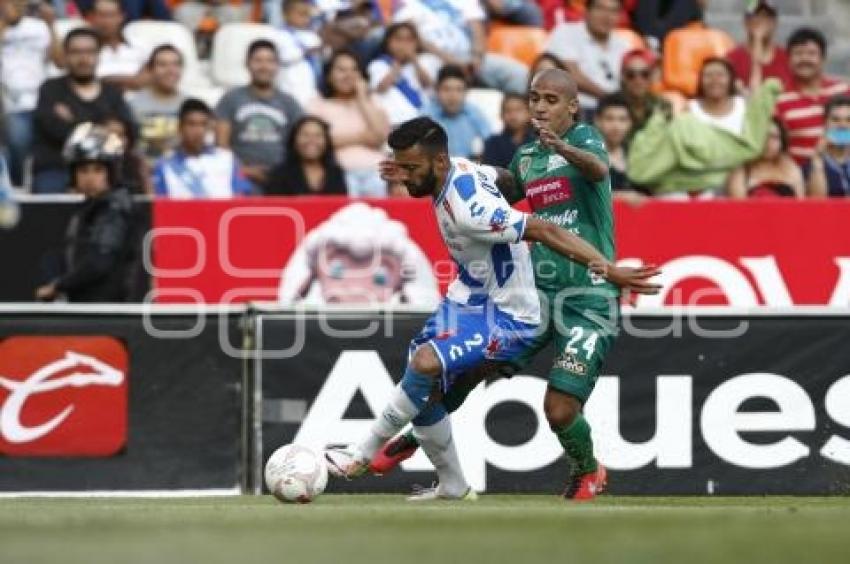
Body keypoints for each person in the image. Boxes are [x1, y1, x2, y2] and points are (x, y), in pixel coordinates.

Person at [323, 115, 660, 500]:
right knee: (424, 381)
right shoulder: (461, 169)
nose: (406, 179)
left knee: (425, 365)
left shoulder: (472, 210)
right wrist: (405, 170)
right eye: (403, 168)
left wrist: (610, 270)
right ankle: (453, 486)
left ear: (438, 163)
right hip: (468, 296)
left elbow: (545, 229)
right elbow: (499, 178)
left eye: (412, 169)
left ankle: (361, 453)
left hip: (509, 316)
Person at [628, 60, 781, 199]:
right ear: (701, 81)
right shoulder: (687, 108)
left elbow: (752, 141)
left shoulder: (743, 106)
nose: (714, 80)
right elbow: (680, 147)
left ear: (731, 80)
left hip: (733, 180)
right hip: (692, 180)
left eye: (720, 75)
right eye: (708, 75)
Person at [34, 122, 136, 302]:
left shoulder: (114, 208)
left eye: (98, 170)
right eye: (83, 170)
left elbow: (99, 262)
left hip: (106, 309)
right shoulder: (90, 207)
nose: (90, 178)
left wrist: (58, 286)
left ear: (111, 173)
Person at [31, 27, 135, 193]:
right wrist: (103, 128)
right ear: (65, 56)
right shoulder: (51, 89)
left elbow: (127, 133)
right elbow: (54, 130)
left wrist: (73, 122)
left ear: (98, 55)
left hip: (105, 171)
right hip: (59, 170)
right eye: (76, 52)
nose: (83, 58)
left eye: (89, 52)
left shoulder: (112, 93)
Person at [215, 39, 303, 189]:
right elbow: (221, 146)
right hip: (238, 177)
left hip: (282, 177)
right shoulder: (230, 99)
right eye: (258, 61)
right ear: (247, 64)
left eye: (270, 61)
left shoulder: (290, 103)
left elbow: (299, 145)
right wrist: (243, 171)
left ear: (277, 66)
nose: (264, 67)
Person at [393, 0, 529, 94]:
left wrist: (476, 58)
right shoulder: (408, 2)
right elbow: (413, 37)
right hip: (432, 57)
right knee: (422, 71)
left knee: (518, 74)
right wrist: (453, 62)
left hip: (469, 56)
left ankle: (523, 128)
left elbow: (477, 29)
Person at [308, 49, 390, 197]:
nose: (348, 75)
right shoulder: (317, 104)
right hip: (339, 172)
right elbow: (316, 142)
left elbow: (380, 136)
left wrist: (362, 99)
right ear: (329, 76)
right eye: (341, 70)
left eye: (354, 70)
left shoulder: (372, 102)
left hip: (376, 172)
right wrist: (362, 138)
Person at [1, 0, 63, 187]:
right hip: (9, 99)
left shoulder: (39, 27)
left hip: (41, 96)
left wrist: (51, 25)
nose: (17, 5)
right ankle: (16, 184)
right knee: (18, 138)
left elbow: (59, 61)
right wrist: (4, 20)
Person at [775, 28, 850, 166]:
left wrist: (832, 139)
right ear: (789, 60)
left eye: (811, 54)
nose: (804, 59)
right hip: (803, 178)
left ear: (823, 58)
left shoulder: (843, 90)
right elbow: (776, 146)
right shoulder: (779, 100)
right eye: (798, 54)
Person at [544, 0, 631, 117]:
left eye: (613, 11)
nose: (607, 16)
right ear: (586, 11)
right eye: (600, 8)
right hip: (577, 111)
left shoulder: (623, 46)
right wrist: (608, 98)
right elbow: (570, 75)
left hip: (615, 113)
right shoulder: (565, 32)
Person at [153, 98, 252, 198]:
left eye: (203, 124)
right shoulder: (165, 165)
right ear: (180, 127)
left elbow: (241, 197)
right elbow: (160, 204)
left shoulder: (227, 159)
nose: (198, 131)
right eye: (192, 124)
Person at [367, 21, 432, 126]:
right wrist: (396, 65)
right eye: (398, 39)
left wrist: (415, 61)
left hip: (422, 119)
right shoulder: (379, 64)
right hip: (394, 122)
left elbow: (428, 85)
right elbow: (381, 88)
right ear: (388, 42)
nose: (404, 45)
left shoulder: (424, 61)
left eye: (409, 40)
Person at [129, 44, 186, 163]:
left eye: (175, 64)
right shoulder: (133, 105)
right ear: (151, 70)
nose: (170, 70)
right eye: (162, 65)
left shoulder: (189, 105)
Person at [264, 115, 347, 195]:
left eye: (318, 136)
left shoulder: (336, 173)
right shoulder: (279, 174)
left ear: (326, 141)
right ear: (294, 140)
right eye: (305, 135)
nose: (311, 140)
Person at [422, 64, 491, 159]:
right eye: (446, 89)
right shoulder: (426, 115)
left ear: (466, 92)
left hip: (469, 167)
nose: (453, 96)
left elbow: (491, 142)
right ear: (437, 91)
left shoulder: (473, 112)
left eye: (458, 90)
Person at [726, 118, 803, 199]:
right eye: (763, 136)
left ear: (782, 142)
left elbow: (801, 206)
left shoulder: (791, 168)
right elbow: (738, 208)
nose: (768, 143)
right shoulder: (741, 171)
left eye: (775, 137)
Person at [726, 0, 792, 94]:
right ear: (746, 22)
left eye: (766, 16)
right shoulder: (732, 58)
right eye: (756, 16)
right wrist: (758, 41)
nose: (761, 20)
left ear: (775, 22)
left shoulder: (787, 57)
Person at [594, 93, 648, 204]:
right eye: (609, 119)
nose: (616, 126)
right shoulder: (588, 155)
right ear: (598, 121)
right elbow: (582, 196)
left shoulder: (637, 153)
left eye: (622, 119)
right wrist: (621, 196)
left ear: (630, 123)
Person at [91, 0, 150, 90]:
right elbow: (87, 81)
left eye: (110, 15)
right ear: (93, 18)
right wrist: (132, 81)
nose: (106, 21)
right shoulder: (85, 48)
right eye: (101, 15)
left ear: (121, 17)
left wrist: (106, 80)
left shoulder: (139, 44)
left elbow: (149, 77)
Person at [274, 0, 321, 107]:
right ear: (285, 15)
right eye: (301, 14)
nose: (306, 18)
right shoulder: (279, 35)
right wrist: (305, 52)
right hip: (289, 83)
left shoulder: (312, 35)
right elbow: (283, 57)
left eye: (307, 14)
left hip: (310, 84)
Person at [616, 48, 669, 135]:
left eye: (645, 74)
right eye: (631, 75)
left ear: (653, 76)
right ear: (623, 77)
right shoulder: (611, 106)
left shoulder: (662, 106)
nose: (638, 81)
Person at [805, 96, 850, 198]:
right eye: (835, 120)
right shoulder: (811, 166)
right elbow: (817, 204)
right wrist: (817, 159)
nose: (843, 125)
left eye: (849, 120)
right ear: (825, 124)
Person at [481, 93, 533, 169]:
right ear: (501, 115)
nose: (513, 115)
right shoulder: (493, 143)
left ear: (529, 114)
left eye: (518, 110)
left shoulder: (537, 142)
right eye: (508, 111)